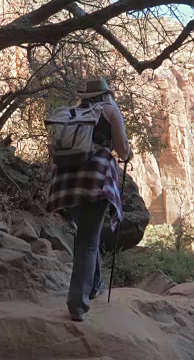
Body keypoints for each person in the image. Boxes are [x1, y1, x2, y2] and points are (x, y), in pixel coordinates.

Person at [47, 78, 133, 322]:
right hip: (95, 178)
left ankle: (94, 285)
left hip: (65, 182)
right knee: (89, 240)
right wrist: (127, 153)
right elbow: (123, 149)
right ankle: (78, 303)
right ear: (106, 94)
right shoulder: (110, 110)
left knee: (85, 235)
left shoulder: (75, 112)